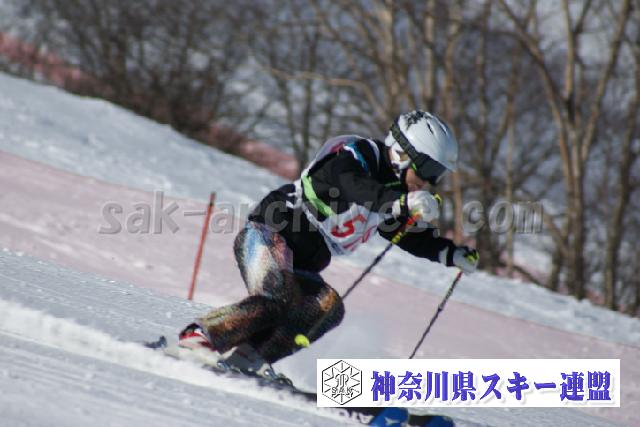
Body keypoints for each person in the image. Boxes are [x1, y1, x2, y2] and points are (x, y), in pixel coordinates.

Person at [177, 110, 479, 376]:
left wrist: (450, 253)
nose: (429, 181)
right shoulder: (356, 155)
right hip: (270, 232)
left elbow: (406, 233)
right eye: (428, 170)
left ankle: (248, 359)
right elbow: (353, 185)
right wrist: (401, 202)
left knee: (326, 307)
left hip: (301, 262)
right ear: (403, 153)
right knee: (277, 297)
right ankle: (200, 336)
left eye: (437, 175)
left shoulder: (393, 194)